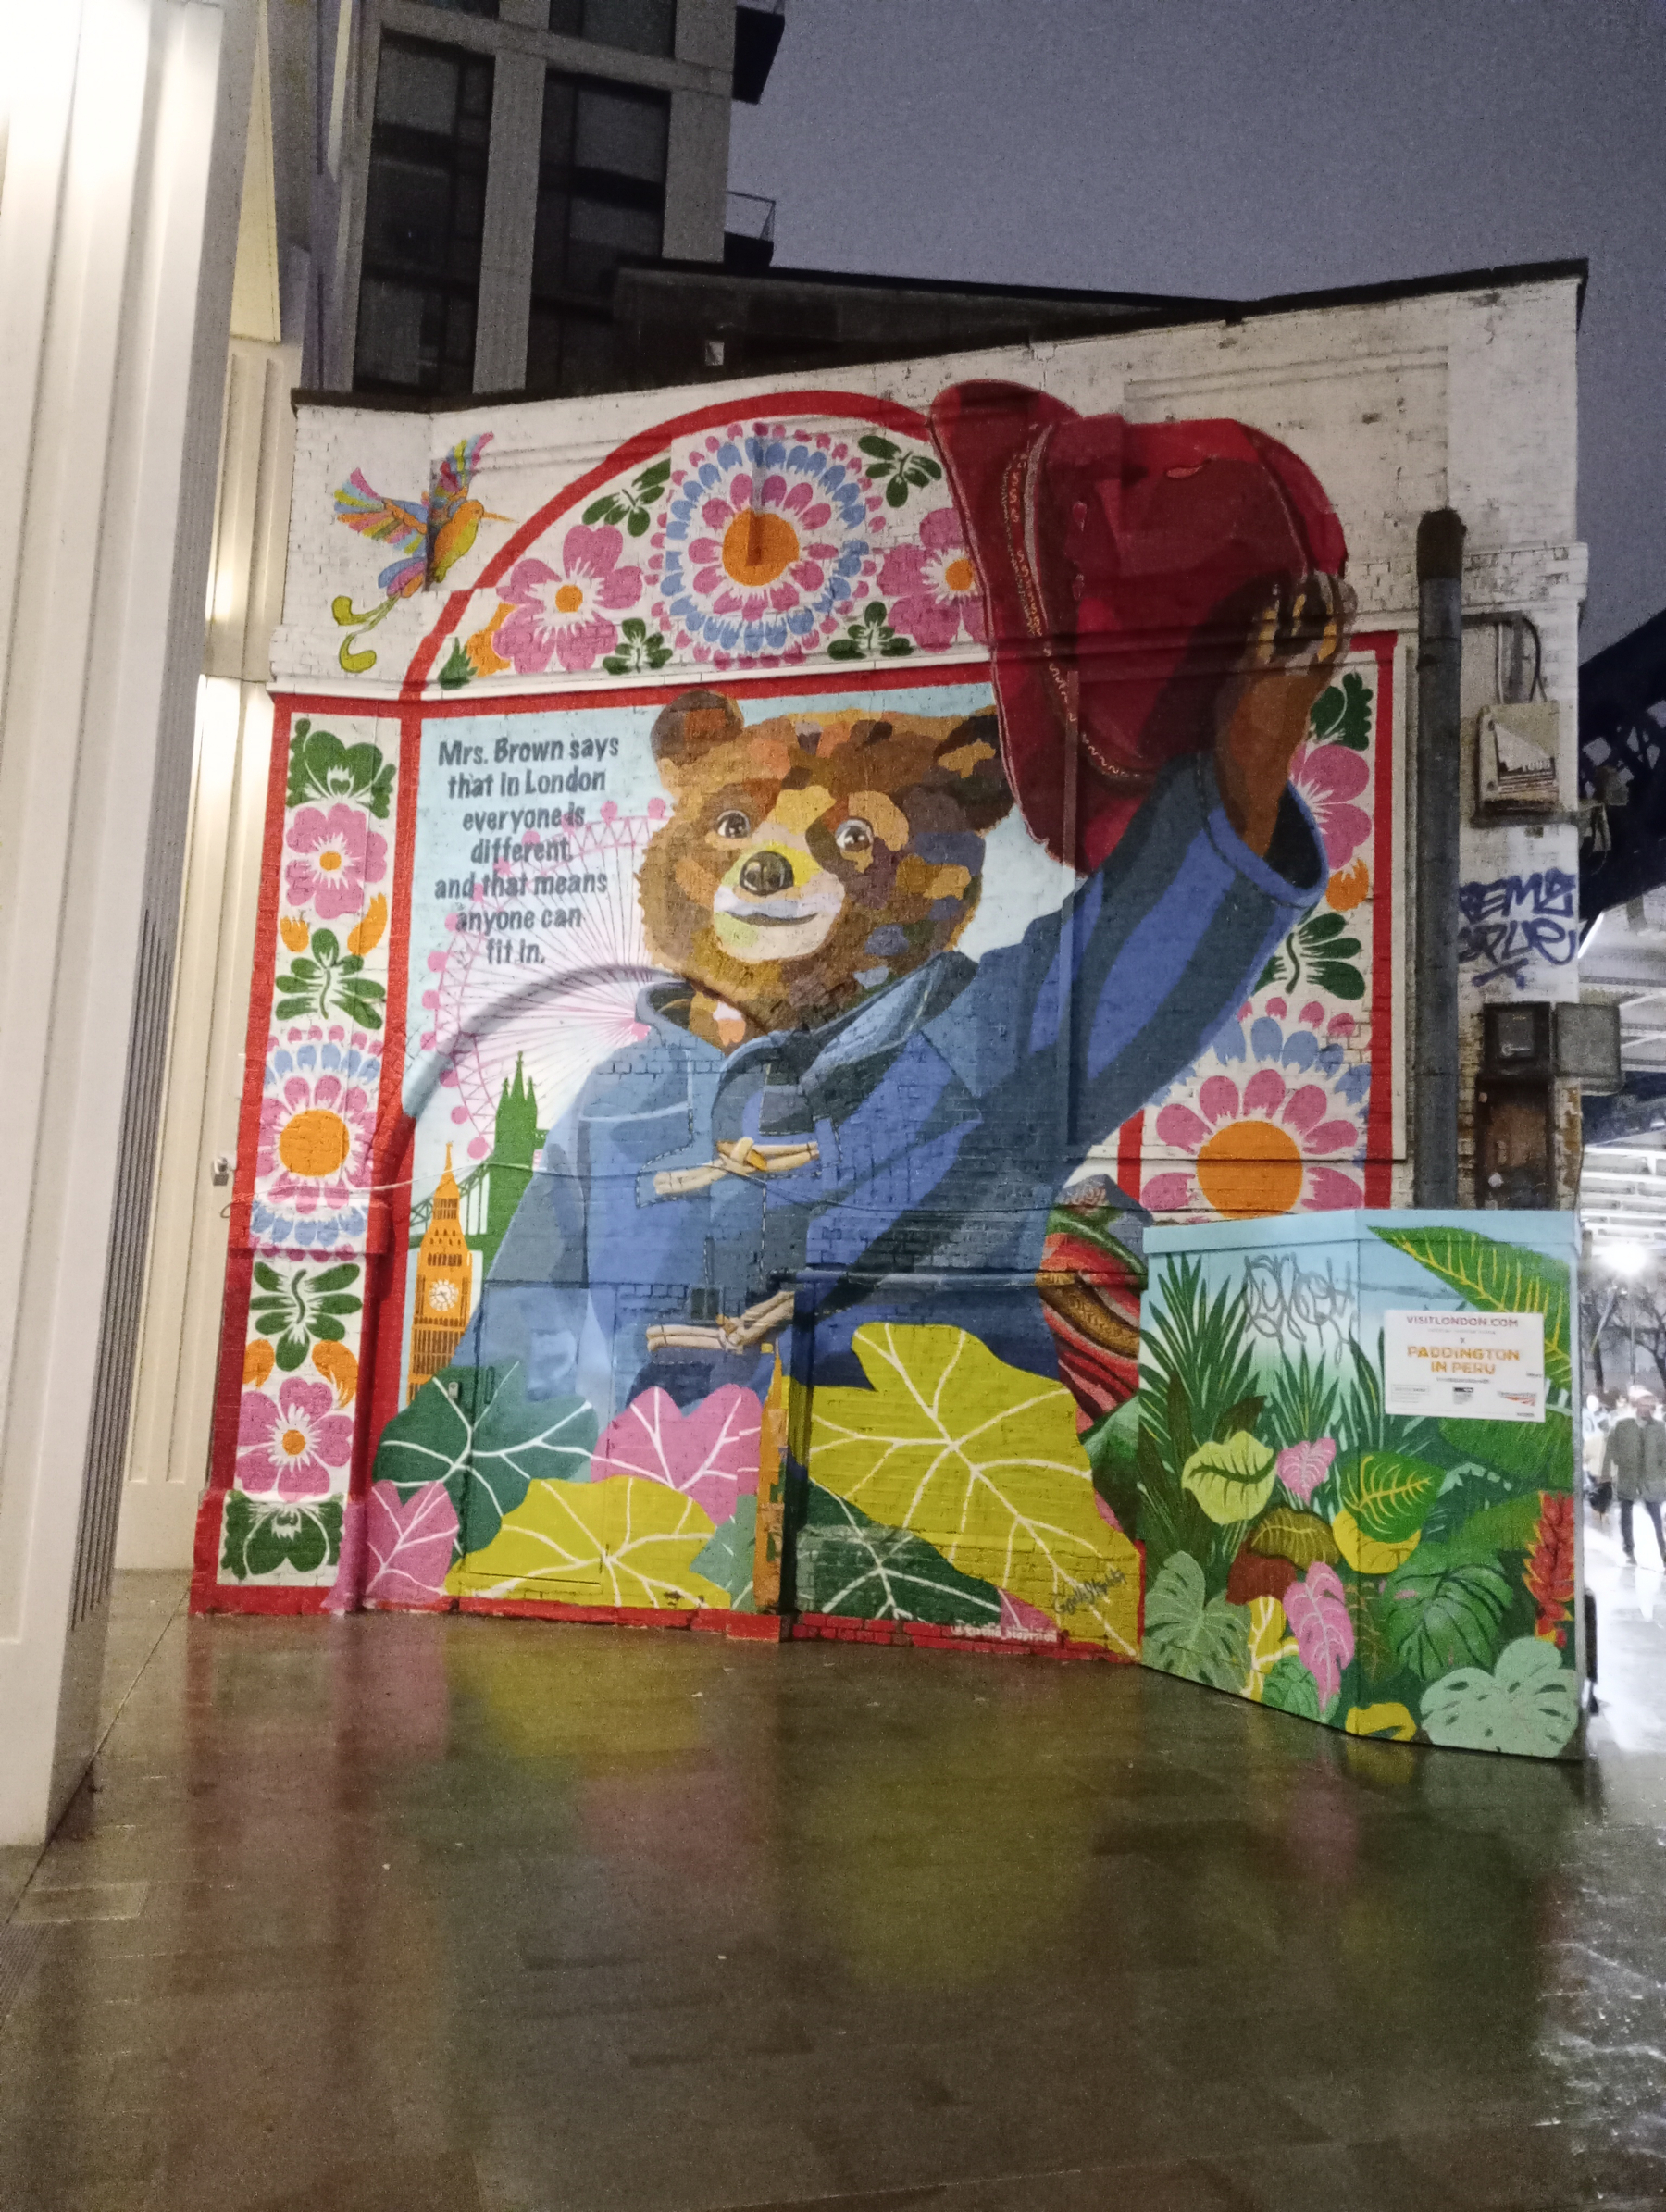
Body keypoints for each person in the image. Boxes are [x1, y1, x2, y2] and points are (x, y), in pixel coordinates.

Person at [1602, 1391, 1666, 1564]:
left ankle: (1663, 1551)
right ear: (1636, 1405)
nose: (1646, 1409)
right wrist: (1606, 1473)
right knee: (1626, 1516)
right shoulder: (1622, 1426)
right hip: (1628, 1477)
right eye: (1643, 1405)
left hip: (1653, 1480)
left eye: (1650, 1406)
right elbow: (1610, 1449)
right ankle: (1629, 1550)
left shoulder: (1661, 1428)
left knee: (1657, 1518)